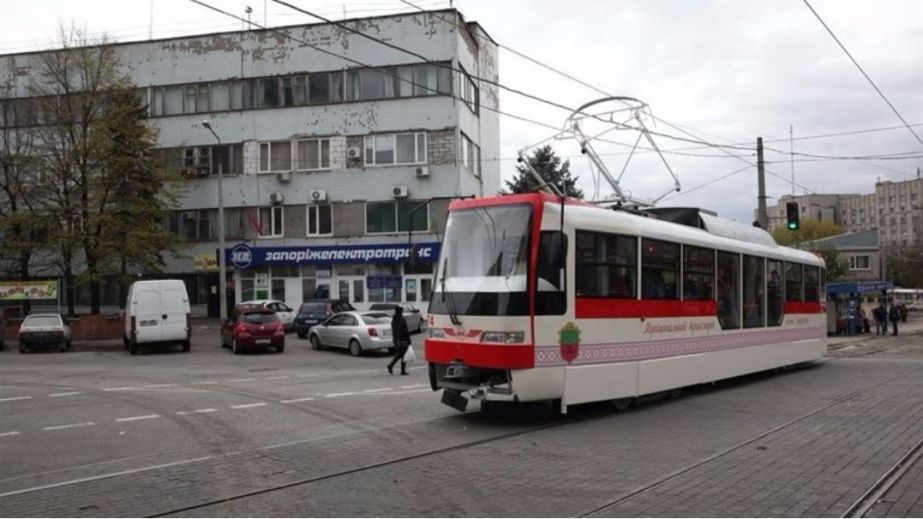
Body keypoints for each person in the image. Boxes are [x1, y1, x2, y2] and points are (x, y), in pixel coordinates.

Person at [387, 306, 411, 376]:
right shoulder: (402, 319)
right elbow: (406, 331)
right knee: (403, 355)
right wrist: (409, 340)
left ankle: (391, 366)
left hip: (396, 340)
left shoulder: (394, 320)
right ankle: (402, 370)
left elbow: (394, 330)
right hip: (403, 340)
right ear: (401, 312)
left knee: (400, 354)